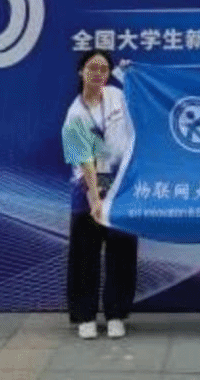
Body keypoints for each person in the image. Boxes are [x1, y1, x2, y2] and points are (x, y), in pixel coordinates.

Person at [61, 49, 138, 339]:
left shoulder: (117, 97)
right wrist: (95, 198)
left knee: (122, 251)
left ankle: (117, 314)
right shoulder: (75, 113)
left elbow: (141, 103)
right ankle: (85, 316)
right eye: (92, 68)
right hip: (87, 186)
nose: (98, 74)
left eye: (104, 69)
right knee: (85, 255)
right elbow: (84, 160)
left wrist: (131, 75)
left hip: (121, 186)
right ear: (81, 72)